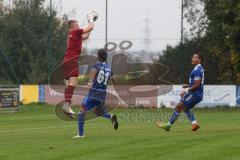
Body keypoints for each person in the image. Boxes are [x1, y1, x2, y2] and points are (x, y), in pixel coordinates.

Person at [73, 49, 119, 138]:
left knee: (82, 110)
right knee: (99, 112)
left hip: (93, 93)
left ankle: (81, 134)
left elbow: (93, 72)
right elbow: (115, 80)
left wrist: (90, 82)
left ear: (98, 56)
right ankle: (111, 116)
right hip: (102, 95)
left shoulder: (95, 66)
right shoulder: (109, 68)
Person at [157, 52, 204, 131]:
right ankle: (194, 123)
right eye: (192, 57)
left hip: (194, 94)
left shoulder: (197, 70)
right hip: (198, 94)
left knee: (178, 106)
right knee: (185, 108)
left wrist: (185, 90)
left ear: (199, 60)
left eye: (195, 57)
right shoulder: (200, 68)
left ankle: (168, 125)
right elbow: (196, 83)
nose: (192, 58)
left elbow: (196, 85)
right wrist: (188, 85)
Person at [62, 13, 97, 114]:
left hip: (65, 60)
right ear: (72, 27)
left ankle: (66, 105)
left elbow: (85, 36)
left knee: (68, 84)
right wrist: (91, 20)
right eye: (77, 25)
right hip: (72, 60)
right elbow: (90, 27)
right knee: (73, 83)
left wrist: (91, 22)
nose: (78, 26)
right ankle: (67, 105)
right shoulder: (75, 32)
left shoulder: (70, 35)